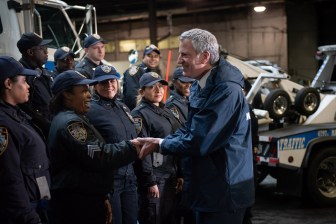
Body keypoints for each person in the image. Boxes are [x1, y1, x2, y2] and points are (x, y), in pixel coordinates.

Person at [136, 28, 255, 224]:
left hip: (223, 193)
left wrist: (161, 145)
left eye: (185, 55)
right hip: (207, 188)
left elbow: (201, 141)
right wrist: (162, 140)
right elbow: (189, 128)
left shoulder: (225, 90)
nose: (179, 60)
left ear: (205, 56)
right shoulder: (203, 83)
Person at [47, 70, 141, 224]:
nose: (89, 95)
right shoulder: (71, 124)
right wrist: (132, 148)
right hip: (79, 204)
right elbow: (98, 155)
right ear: (67, 94)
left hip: (88, 197)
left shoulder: (72, 118)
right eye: (83, 91)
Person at [0, 56, 51, 224]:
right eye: (23, 81)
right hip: (26, 211)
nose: (28, 86)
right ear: (8, 84)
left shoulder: (16, 114)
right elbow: (10, 178)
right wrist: (29, 218)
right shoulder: (3, 125)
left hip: (38, 202)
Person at [86, 65, 138, 224]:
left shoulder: (122, 106)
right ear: (95, 85)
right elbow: (90, 149)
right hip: (109, 180)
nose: (109, 85)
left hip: (129, 178)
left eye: (112, 81)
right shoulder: (90, 111)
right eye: (103, 82)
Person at [131, 72, 182, 224]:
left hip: (170, 175)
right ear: (142, 91)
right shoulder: (140, 115)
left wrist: (180, 173)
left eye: (160, 86)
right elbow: (143, 151)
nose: (158, 90)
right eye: (152, 87)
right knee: (154, 218)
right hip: (156, 178)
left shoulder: (165, 111)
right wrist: (150, 181)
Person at [165, 66, 196, 224]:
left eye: (191, 82)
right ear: (175, 83)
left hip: (191, 163)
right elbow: (179, 134)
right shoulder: (172, 105)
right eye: (184, 82)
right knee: (181, 211)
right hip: (182, 164)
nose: (188, 85)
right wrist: (181, 173)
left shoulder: (190, 100)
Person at [17, 32, 54, 137]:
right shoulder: (21, 76)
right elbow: (27, 112)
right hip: (40, 132)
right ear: (30, 52)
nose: (46, 52)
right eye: (42, 49)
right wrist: (51, 127)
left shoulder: (42, 71)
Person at [123, 44, 161, 110]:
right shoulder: (135, 71)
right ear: (143, 57)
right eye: (149, 56)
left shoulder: (154, 73)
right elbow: (132, 97)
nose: (153, 59)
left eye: (156, 56)